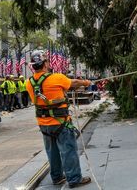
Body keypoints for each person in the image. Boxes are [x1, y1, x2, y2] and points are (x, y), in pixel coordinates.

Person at [26, 50, 92, 188]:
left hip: (44, 124)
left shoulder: (29, 83)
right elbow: (73, 83)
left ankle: (57, 177)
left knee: (52, 152)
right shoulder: (56, 78)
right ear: (44, 64)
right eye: (47, 61)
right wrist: (86, 82)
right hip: (60, 123)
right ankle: (74, 179)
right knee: (68, 150)